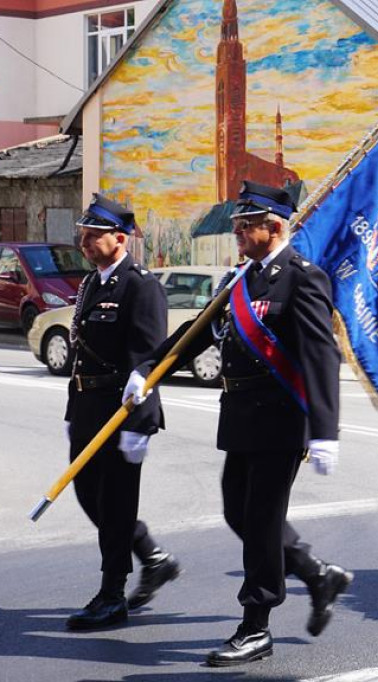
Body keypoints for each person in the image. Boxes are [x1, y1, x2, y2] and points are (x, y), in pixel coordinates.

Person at [127, 181, 351, 665]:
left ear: (274, 228)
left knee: (263, 521)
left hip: (281, 419)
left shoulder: (302, 278)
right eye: (236, 226)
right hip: (240, 418)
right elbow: (197, 332)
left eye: (245, 227)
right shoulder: (239, 280)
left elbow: (320, 356)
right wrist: (149, 369)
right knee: (238, 513)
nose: (238, 234)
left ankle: (256, 625)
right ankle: (316, 572)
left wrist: (325, 430)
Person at [62, 194, 180, 631]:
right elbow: (80, 353)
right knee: (89, 495)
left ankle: (112, 594)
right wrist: (72, 410)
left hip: (120, 412)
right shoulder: (94, 282)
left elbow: (148, 360)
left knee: (114, 503)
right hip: (88, 406)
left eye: (93, 236)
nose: (85, 243)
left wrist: (140, 423)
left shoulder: (140, 285)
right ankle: (151, 555)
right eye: (83, 235)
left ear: (120, 236)